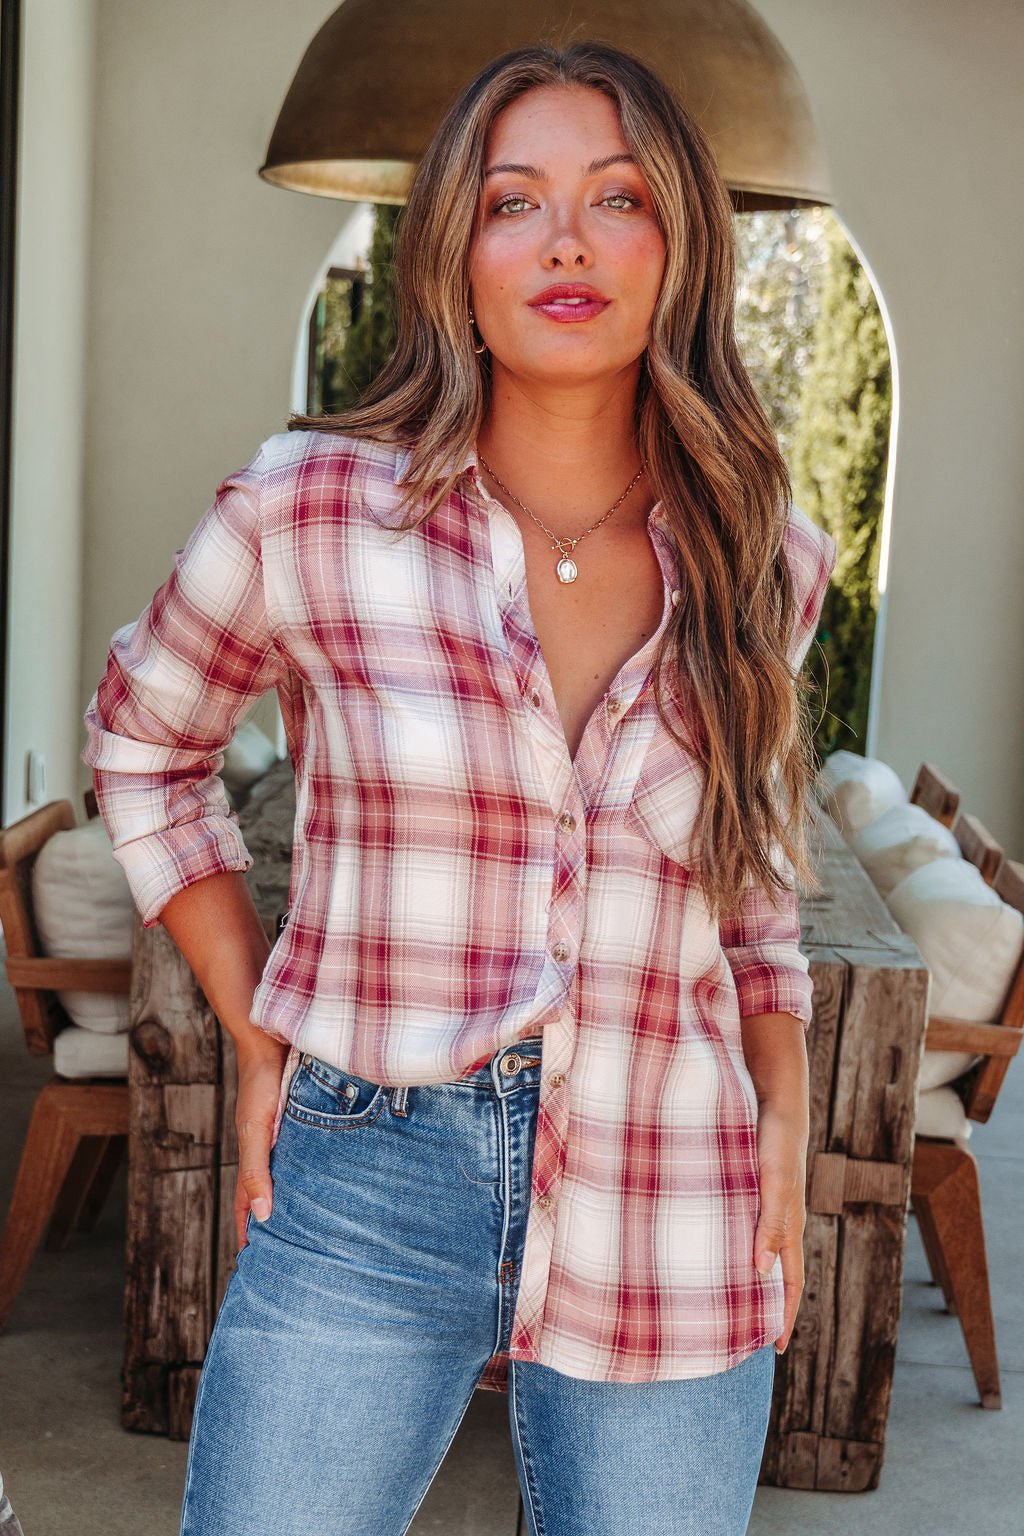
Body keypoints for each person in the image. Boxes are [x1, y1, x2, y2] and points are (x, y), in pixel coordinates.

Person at [82, 39, 837, 1536]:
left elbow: (749, 892)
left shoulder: (767, 555)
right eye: (514, 202)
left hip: (669, 1182)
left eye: (616, 196)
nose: (566, 239)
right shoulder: (311, 508)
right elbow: (142, 745)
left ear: (680, 243)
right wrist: (254, 1023)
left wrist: (788, 1112)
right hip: (366, 1176)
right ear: (454, 253)